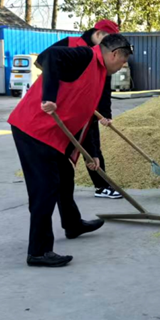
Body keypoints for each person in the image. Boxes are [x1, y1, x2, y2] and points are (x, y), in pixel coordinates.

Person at [9, 34, 133, 267]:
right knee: (44, 189)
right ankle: (38, 251)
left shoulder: (99, 74)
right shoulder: (85, 56)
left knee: (65, 179)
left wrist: (93, 152)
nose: (122, 66)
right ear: (114, 54)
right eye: (123, 61)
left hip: (54, 135)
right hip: (34, 129)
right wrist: (49, 97)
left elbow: (88, 116)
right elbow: (51, 56)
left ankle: (72, 224)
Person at [47, 19, 123, 200]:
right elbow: (47, 62)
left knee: (93, 146)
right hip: (63, 107)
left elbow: (105, 87)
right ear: (98, 34)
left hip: (88, 108)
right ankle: (52, 189)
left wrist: (106, 115)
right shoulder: (71, 44)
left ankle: (102, 186)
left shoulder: (104, 55)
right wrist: (54, 93)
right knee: (61, 149)